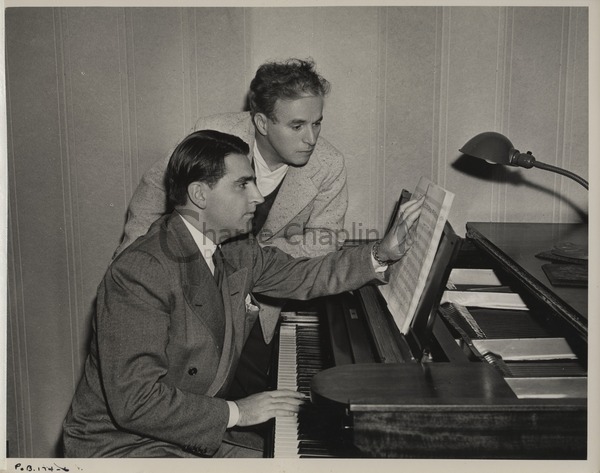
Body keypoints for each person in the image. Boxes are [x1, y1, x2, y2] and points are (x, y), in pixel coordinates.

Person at [62, 129, 423, 458]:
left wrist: (380, 254)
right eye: (243, 184)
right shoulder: (141, 271)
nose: (258, 195)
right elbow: (136, 403)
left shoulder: (235, 249)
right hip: (122, 445)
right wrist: (240, 412)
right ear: (200, 194)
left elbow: (304, 275)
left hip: (180, 429)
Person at [114, 58, 348, 406]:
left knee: (252, 408)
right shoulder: (212, 130)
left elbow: (324, 242)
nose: (311, 138)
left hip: (264, 304)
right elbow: (155, 188)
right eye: (297, 125)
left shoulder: (329, 164)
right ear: (261, 122)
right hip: (192, 297)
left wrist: (252, 262)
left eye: (317, 123)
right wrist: (133, 257)